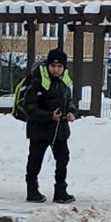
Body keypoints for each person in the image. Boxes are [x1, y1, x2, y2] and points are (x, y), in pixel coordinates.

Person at [23, 48, 78, 204]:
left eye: (60, 66)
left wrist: (72, 112)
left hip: (59, 130)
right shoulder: (37, 81)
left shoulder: (64, 82)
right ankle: (32, 191)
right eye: (53, 66)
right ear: (48, 65)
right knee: (35, 160)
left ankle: (61, 191)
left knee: (63, 159)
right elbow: (29, 107)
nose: (56, 69)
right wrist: (49, 115)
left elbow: (68, 101)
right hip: (39, 130)